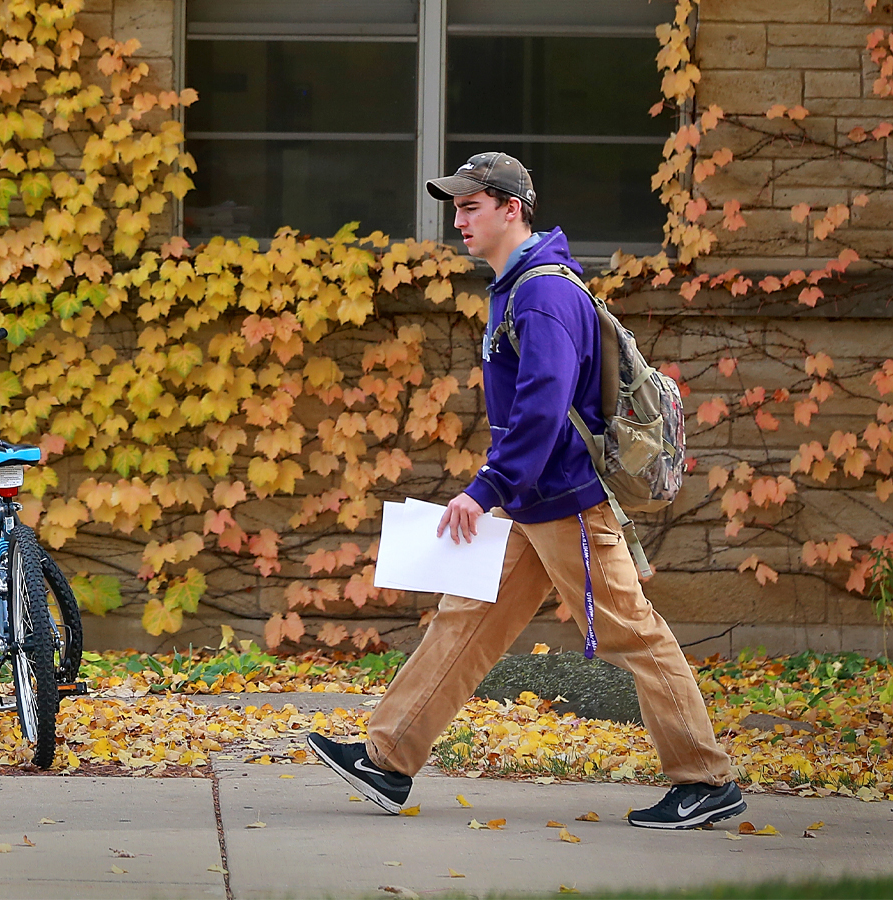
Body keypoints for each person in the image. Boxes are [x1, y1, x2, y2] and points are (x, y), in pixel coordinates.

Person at [306, 152, 742, 830]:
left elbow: (543, 407)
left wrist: (485, 490)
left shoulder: (544, 294)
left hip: (567, 501)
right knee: (466, 620)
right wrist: (503, 491)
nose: (459, 221)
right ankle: (386, 760)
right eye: (456, 208)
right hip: (532, 502)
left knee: (633, 634)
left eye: (472, 207)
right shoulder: (517, 288)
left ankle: (706, 779)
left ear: (513, 209)